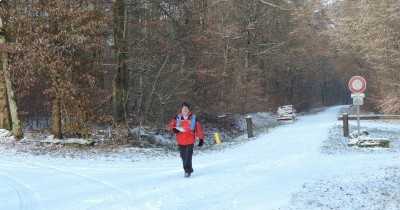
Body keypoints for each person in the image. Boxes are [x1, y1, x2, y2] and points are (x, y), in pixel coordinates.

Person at [169, 102, 204, 178]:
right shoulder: (177, 117)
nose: (184, 109)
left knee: (188, 156)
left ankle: (187, 171)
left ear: (188, 110)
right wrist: (175, 130)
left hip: (190, 140)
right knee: (183, 157)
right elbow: (171, 127)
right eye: (183, 108)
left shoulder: (194, 118)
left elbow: (198, 129)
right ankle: (189, 169)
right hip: (180, 141)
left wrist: (201, 139)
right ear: (181, 109)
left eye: (186, 108)